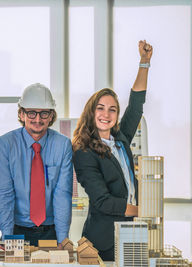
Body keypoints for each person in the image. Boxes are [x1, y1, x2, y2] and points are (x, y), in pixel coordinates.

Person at [72, 40, 153, 261]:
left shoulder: (120, 139)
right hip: (103, 240)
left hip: (132, 232)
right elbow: (103, 202)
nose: (106, 114)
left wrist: (144, 63)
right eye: (100, 108)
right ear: (91, 111)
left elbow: (136, 105)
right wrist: (143, 211)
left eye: (112, 110)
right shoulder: (83, 151)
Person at [0, 83, 73, 247]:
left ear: (51, 116)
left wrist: (62, 240)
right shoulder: (4, 145)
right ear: (21, 114)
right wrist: (7, 238)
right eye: (31, 113)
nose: (37, 119)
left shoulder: (63, 145)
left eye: (44, 113)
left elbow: (62, 194)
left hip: (51, 231)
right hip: (16, 231)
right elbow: (5, 195)